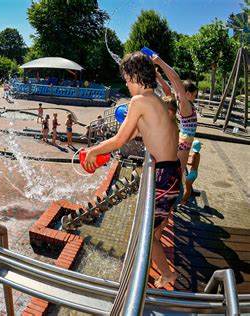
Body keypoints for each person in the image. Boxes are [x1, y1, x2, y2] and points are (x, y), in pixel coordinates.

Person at [83, 52, 180, 289]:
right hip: (171, 172)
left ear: (136, 76)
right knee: (151, 229)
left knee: (147, 233)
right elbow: (140, 132)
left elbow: (119, 139)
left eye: (126, 79)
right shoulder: (155, 100)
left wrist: (94, 151)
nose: (126, 84)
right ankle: (148, 267)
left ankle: (167, 274)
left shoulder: (139, 102)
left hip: (164, 175)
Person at [152, 56, 198, 175]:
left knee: (174, 173)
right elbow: (176, 80)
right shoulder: (185, 105)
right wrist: (160, 62)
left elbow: (170, 86)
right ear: (187, 94)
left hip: (181, 139)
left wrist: (158, 76)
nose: (195, 98)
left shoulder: (182, 102)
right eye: (194, 95)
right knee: (177, 176)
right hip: (184, 143)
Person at [180, 140, 201, 206]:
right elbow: (191, 155)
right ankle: (186, 200)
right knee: (188, 189)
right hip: (195, 173)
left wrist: (185, 161)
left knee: (186, 188)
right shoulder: (198, 154)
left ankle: (182, 202)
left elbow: (192, 163)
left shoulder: (194, 155)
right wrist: (186, 154)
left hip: (192, 174)